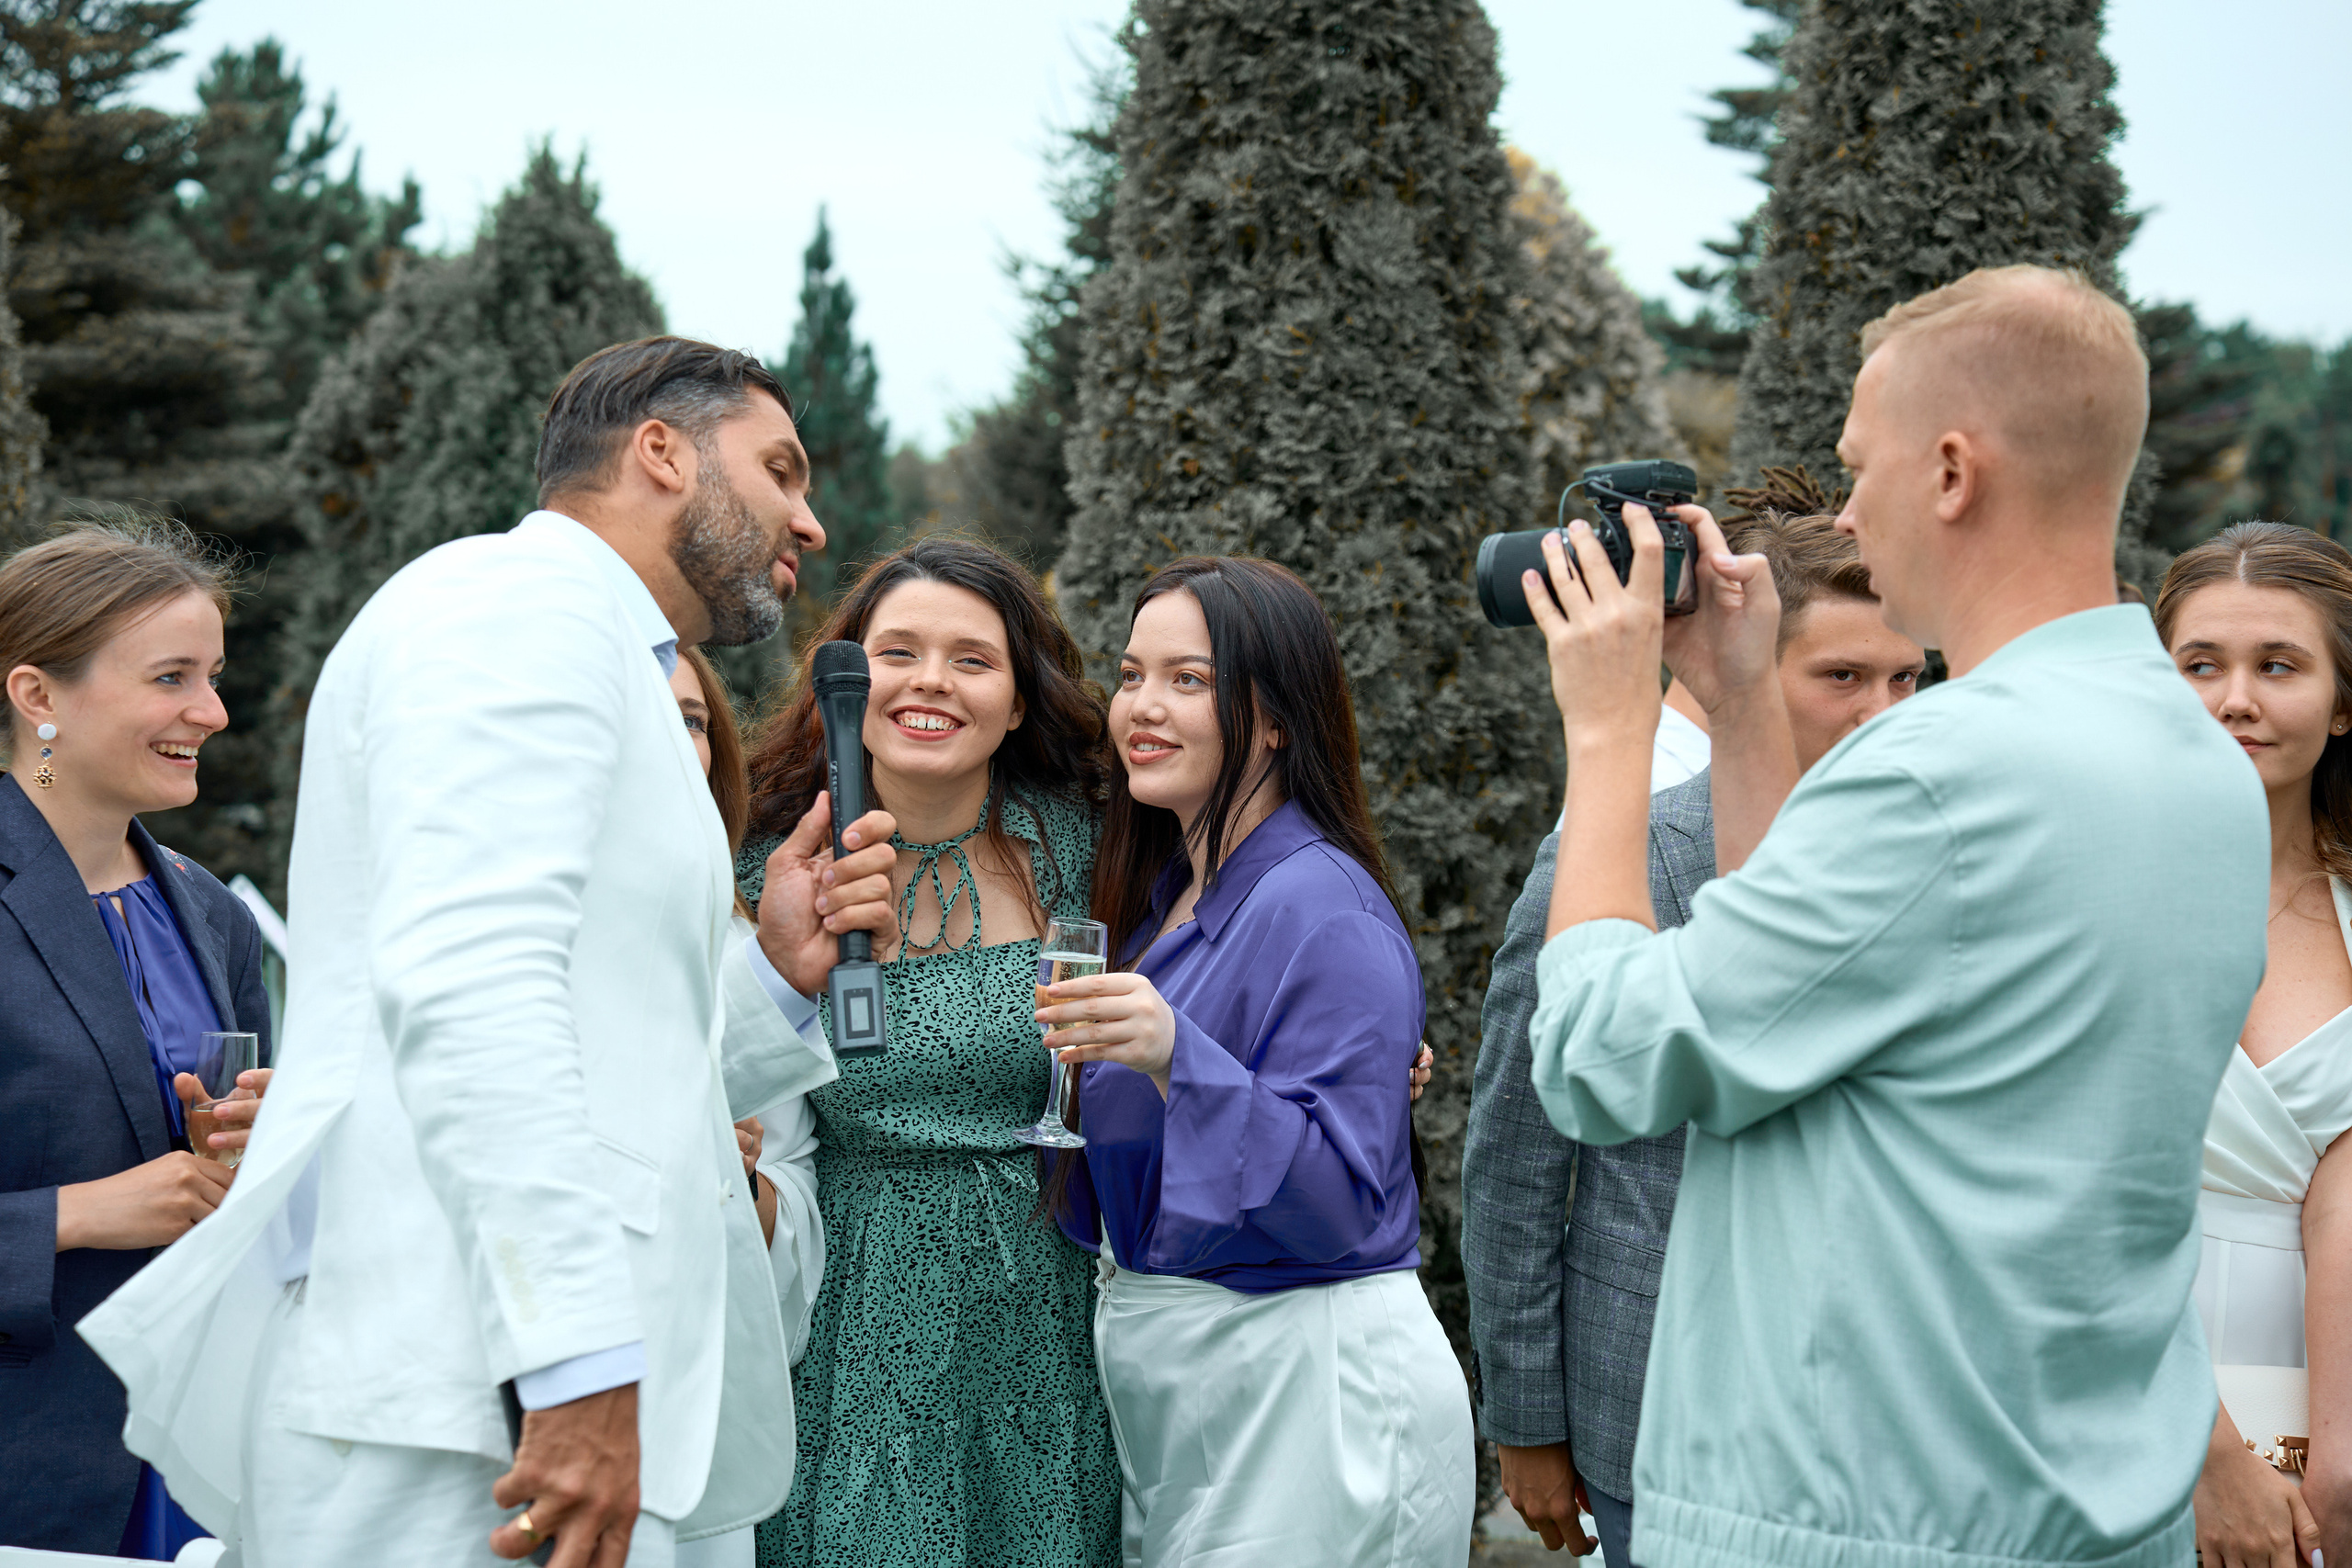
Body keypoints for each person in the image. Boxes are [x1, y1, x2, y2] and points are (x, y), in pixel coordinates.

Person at [81, 336, 901, 1568]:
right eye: (779, 469)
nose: (811, 519)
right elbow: (469, 984)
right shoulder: (514, 603)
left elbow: (606, 1049)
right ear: (661, 451)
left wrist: (774, 978)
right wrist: (572, 1359)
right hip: (471, 1404)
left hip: (535, 1396)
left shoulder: (600, 646)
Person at [1518, 264, 2267, 1568]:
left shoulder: (1942, 771)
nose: (1849, 511)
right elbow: (1804, 998)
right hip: (2074, 1499)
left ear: (1953, 470)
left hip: (1864, 1508)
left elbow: (1604, 1056)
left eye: (1863, 467)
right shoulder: (2193, 755)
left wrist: (1606, 725)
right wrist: (1744, 704)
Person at [1464, 511, 1924, 1564]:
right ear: (1749, 665)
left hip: (1878, 1417)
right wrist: (1528, 1421)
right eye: (1845, 677)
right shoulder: (1613, 855)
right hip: (1652, 1403)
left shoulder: (1925, 855)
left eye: (1908, 680)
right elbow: (1515, 1161)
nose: (1885, 713)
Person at [1042, 556, 1475, 1564]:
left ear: (1275, 719)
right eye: (1132, 673)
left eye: (1188, 680)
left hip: (1310, 1387)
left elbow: (1337, 1203)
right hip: (1190, 1388)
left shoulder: (1326, 906)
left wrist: (1174, 1056)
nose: (1142, 707)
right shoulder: (1165, 902)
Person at [732, 535, 1122, 1568]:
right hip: (854, 1312)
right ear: (845, 682)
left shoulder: (1095, 853)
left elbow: (1211, 983)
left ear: (1020, 700)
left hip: (1048, 1304)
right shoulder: (766, 874)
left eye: (973, 659)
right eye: (897, 652)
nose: (931, 683)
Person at [0, 519, 272, 1557]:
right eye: (172, 678)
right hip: (30, 1474)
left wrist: (270, 1140)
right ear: (39, 698)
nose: (211, 712)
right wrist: (76, 1214)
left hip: (207, 1456)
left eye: (211, 675)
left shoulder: (214, 914)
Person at [2155, 524, 2352, 1568]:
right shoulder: (2086, 903)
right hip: (2113, 1383)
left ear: (2342, 698)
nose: (2234, 699)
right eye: (2200, 665)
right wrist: (2202, 1455)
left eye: (2277, 665)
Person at [669, 646, 835, 1568]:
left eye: (695, 721)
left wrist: (751, 1195)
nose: (676, 742)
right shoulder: (493, 925)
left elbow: (793, 1224)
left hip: (696, 1421)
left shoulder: (746, 940)